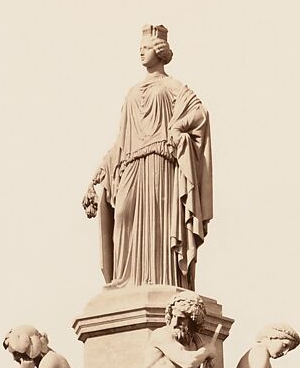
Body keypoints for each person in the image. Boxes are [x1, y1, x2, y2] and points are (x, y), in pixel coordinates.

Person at [83, 24, 212, 289]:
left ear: (160, 50)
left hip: (161, 166)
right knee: (124, 217)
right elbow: (121, 139)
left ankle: (163, 280)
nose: (141, 53)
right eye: (139, 48)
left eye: (146, 48)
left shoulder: (174, 87)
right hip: (131, 166)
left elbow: (200, 114)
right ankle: (125, 281)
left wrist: (177, 128)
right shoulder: (131, 92)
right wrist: (96, 175)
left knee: (160, 228)